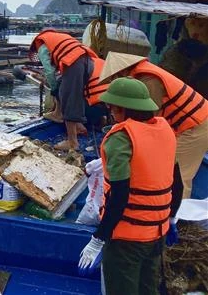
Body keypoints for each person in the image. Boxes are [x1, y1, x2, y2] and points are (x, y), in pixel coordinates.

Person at [78, 77, 183, 294]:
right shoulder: (165, 130)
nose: (110, 111)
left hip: (127, 239)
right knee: (148, 288)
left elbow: (119, 195)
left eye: (112, 107)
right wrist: (170, 219)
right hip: (157, 233)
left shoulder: (121, 138)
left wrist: (99, 238)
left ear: (123, 109)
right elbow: (178, 184)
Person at [99, 51, 208, 198]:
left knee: (179, 174)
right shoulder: (142, 75)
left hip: (196, 125)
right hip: (184, 123)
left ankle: (177, 216)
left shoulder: (149, 80)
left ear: (122, 71)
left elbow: (150, 117)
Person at [30, 29, 100, 150]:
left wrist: (54, 89)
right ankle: (70, 121)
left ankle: (73, 142)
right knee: (68, 88)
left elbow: (49, 71)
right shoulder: (59, 37)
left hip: (75, 63)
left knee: (68, 98)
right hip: (88, 61)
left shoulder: (41, 46)